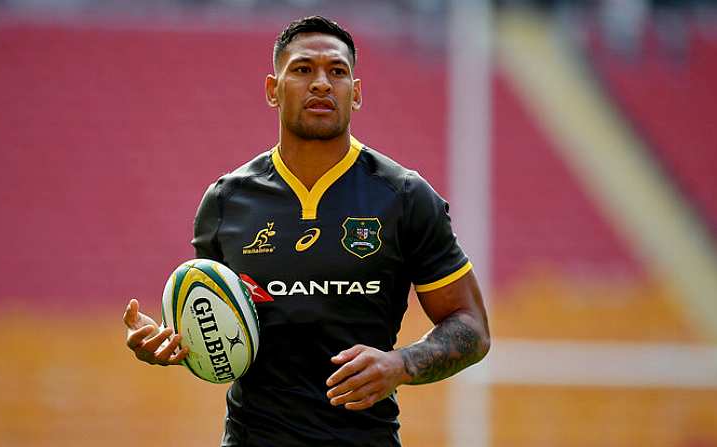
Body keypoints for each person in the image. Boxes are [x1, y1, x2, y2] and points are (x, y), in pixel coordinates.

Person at [123, 15, 490, 447]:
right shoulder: (225, 202)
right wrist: (168, 346)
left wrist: (401, 364)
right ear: (272, 90)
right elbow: (215, 327)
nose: (321, 83)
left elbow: (472, 328)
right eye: (302, 69)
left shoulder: (404, 196)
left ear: (355, 94)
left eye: (337, 71)